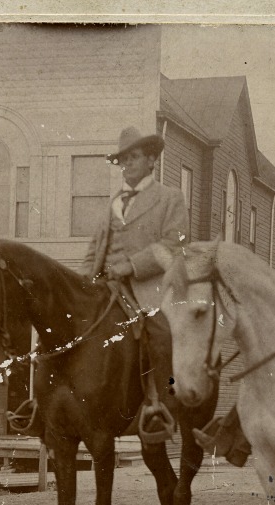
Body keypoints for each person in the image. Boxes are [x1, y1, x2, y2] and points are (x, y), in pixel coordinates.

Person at [80, 125, 189, 442]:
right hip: (105, 288)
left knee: (160, 334)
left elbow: (174, 245)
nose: (126, 164)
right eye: (122, 159)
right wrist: (81, 282)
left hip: (148, 289)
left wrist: (131, 265)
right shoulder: (112, 204)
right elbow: (94, 250)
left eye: (134, 157)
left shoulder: (170, 199)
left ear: (152, 160)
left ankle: (159, 407)